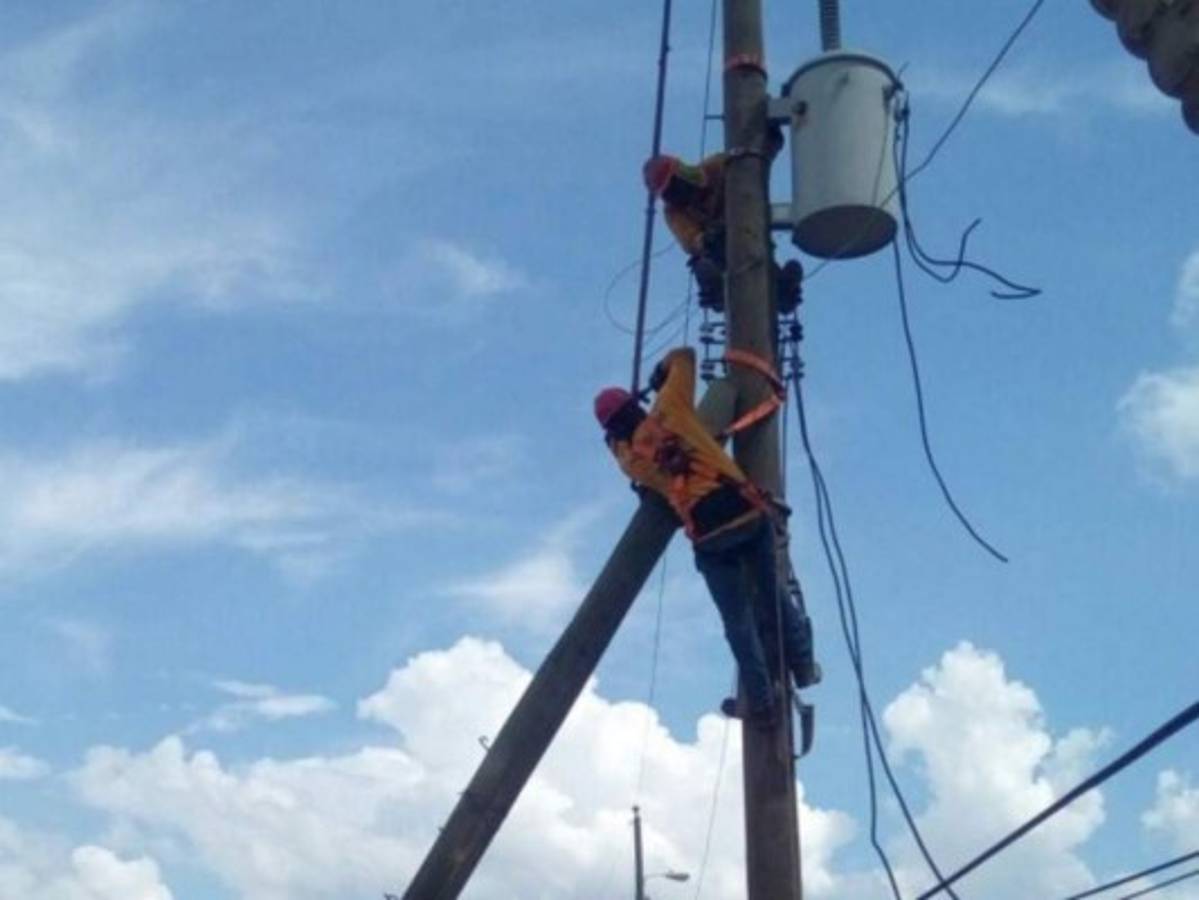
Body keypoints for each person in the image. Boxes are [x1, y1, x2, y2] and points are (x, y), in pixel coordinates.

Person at [594, 347, 818, 729]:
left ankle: (760, 702)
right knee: (773, 594)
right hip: (747, 514)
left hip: (713, 540)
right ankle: (804, 665)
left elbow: (621, 449)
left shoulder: (633, 462)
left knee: (737, 621)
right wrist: (659, 376)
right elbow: (685, 355)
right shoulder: (672, 408)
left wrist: (615, 438)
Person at [642, 136, 803, 315]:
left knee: (761, 266)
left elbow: (751, 164)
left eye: (676, 185)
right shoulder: (674, 211)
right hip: (718, 252)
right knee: (705, 261)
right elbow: (689, 239)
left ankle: (782, 290)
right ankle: (718, 292)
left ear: (683, 173)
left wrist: (769, 141)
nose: (678, 193)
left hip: (751, 236)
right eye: (670, 193)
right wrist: (704, 240)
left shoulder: (717, 166)